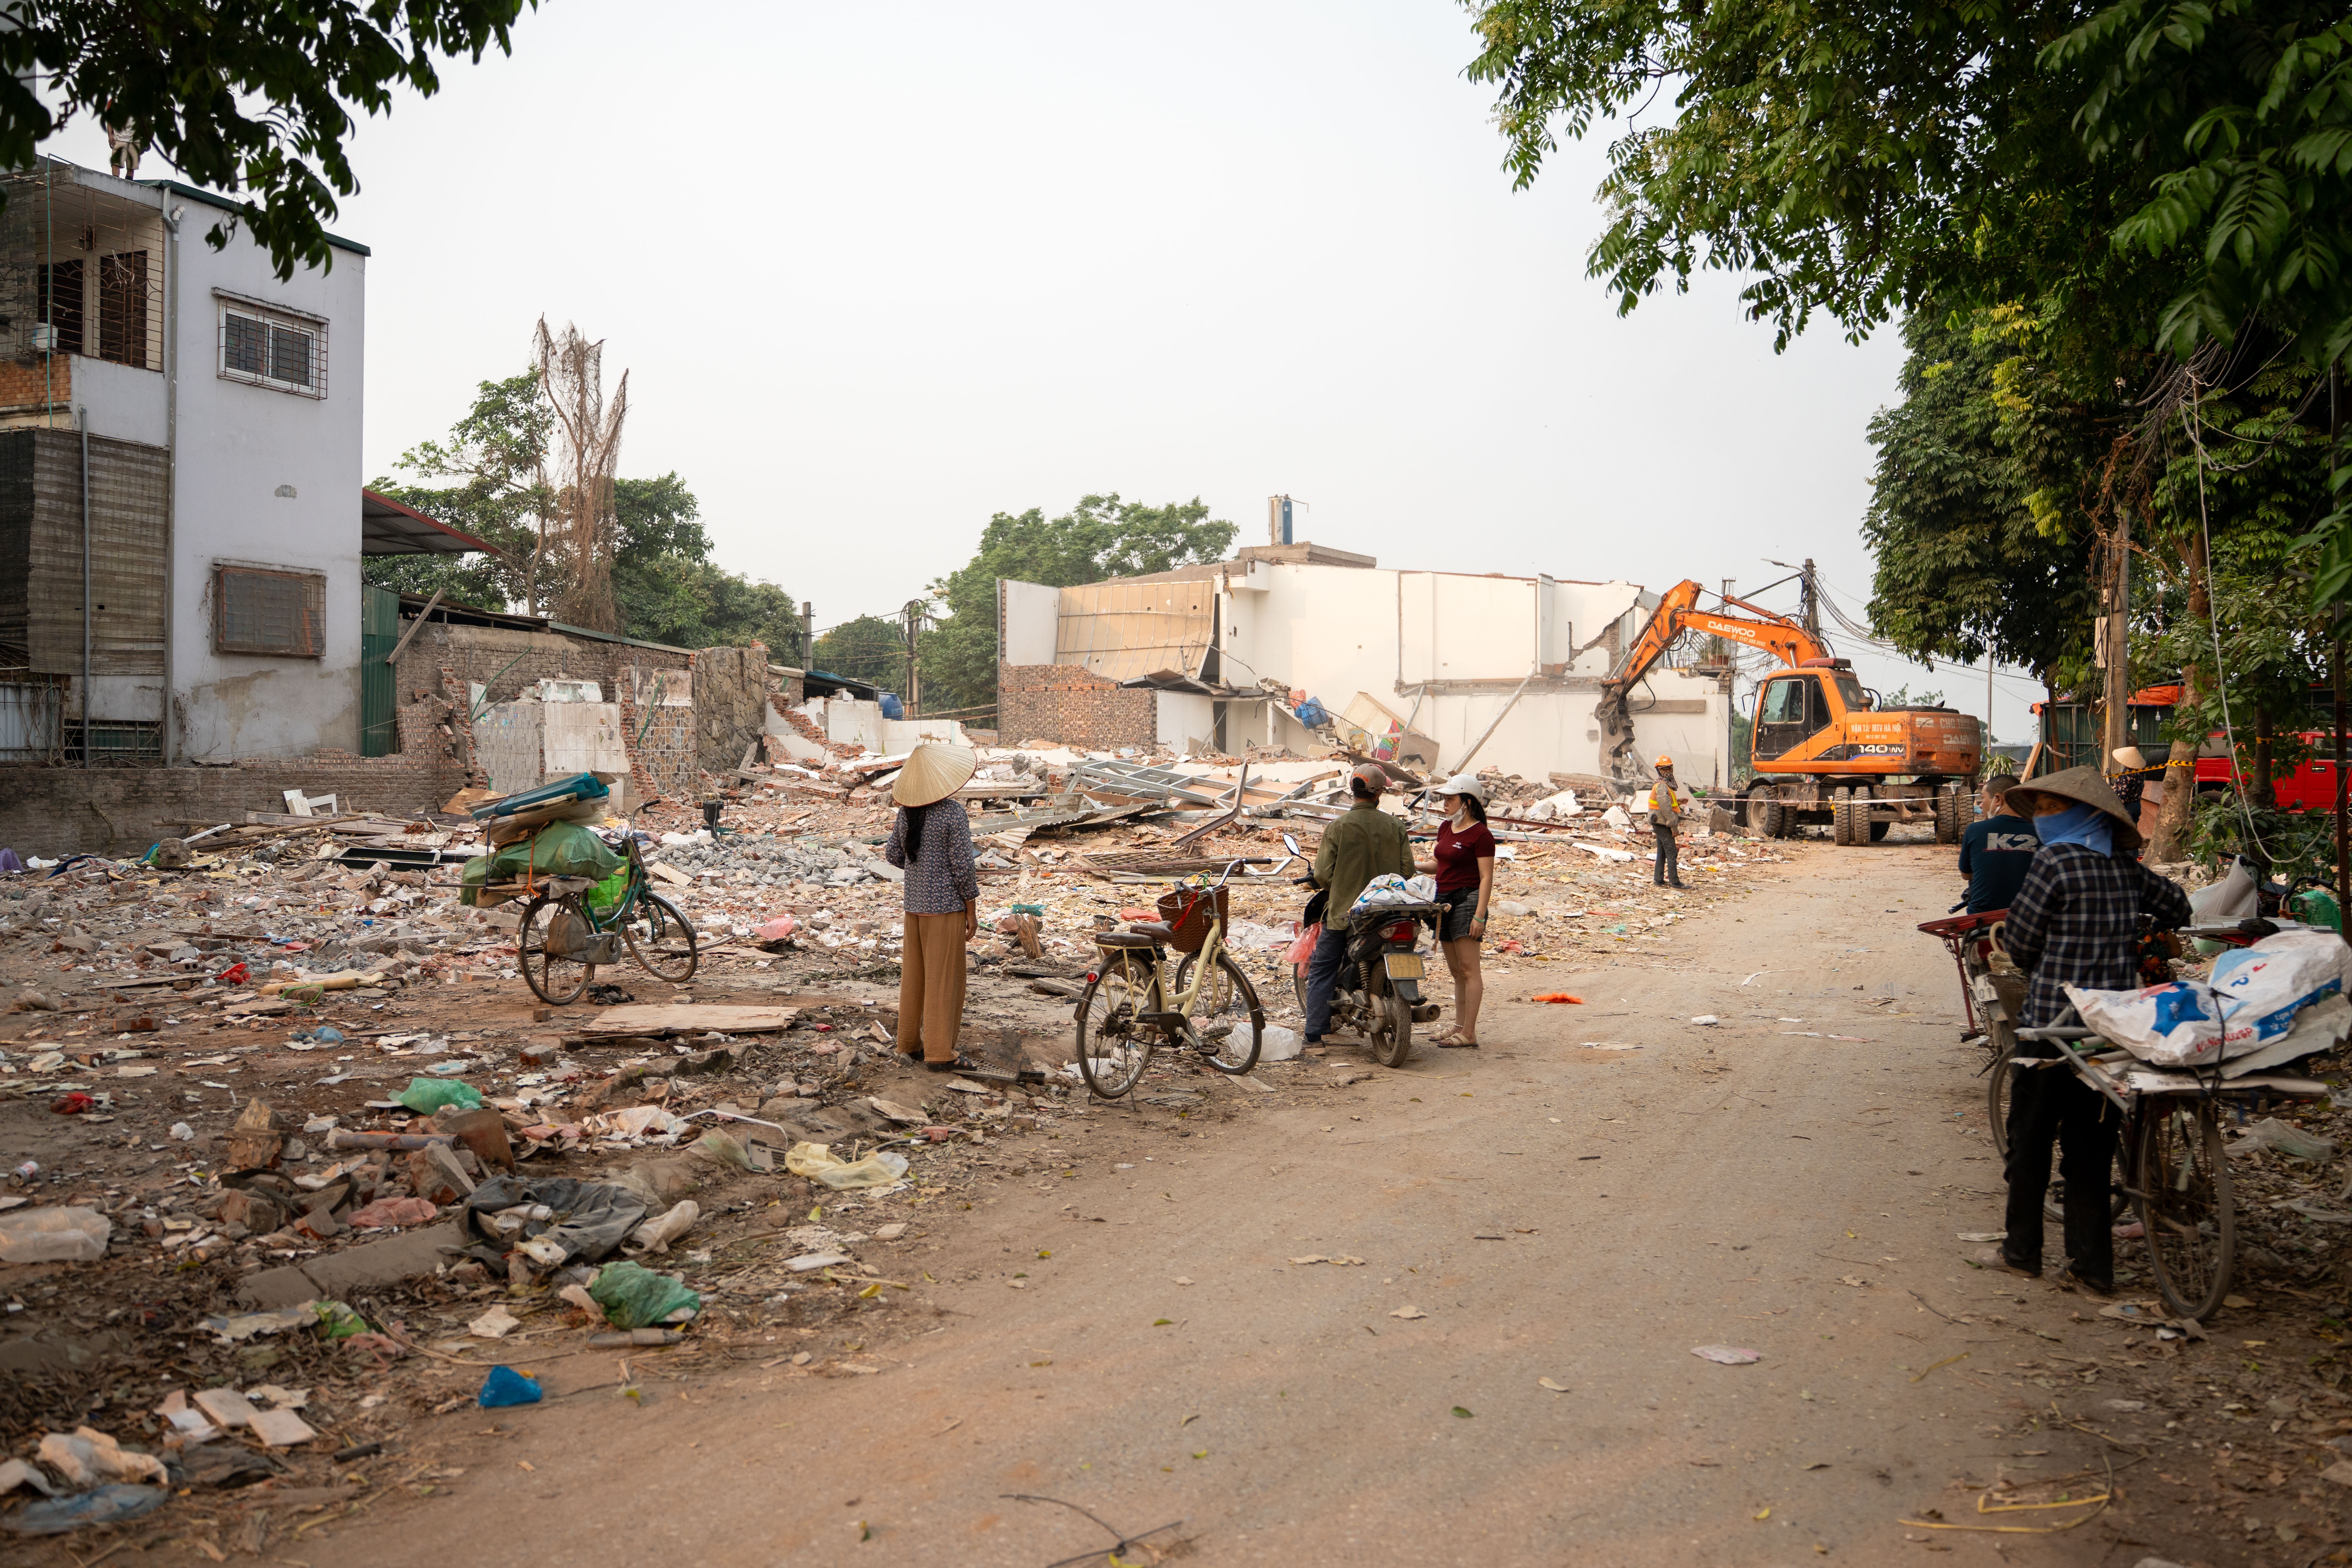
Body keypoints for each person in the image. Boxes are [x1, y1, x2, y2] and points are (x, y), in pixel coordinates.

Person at [1997, 766, 2191, 1294]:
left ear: (2082, 814)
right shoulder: (2125, 868)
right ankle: (2092, 1268)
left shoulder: (2053, 862)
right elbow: (2178, 905)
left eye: (2050, 809)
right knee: (2090, 1153)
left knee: (2030, 1143)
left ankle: (2022, 1253)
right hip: (2109, 1032)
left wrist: (2045, 958)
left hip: (2050, 1027)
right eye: (2039, 809)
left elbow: (2021, 943)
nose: (2042, 818)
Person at [882, 742, 982, 1072]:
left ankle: (909, 1044)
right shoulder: (953, 813)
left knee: (915, 978)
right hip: (945, 911)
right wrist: (971, 910)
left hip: (914, 909)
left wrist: (920, 869)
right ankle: (940, 1052)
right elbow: (963, 867)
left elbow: (893, 855)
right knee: (943, 981)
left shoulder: (907, 813)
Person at [1303, 763, 1415, 1045]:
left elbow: (1323, 875)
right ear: (1379, 793)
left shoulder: (1338, 827)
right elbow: (1407, 870)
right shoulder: (1395, 826)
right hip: (1388, 913)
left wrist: (1342, 885)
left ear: (1352, 790)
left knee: (1322, 969)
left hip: (1345, 915)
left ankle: (1314, 1038)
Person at [1414, 773, 1496, 1049]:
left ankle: (1469, 1033)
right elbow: (1440, 866)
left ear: (1468, 803)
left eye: (1451, 799)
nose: (1445, 804)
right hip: (1443, 903)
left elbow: (1486, 877)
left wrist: (1480, 916)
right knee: (1457, 971)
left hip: (1467, 902)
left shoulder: (1481, 835)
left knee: (1470, 971)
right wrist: (1412, 865)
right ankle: (1459, 1026)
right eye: (1444, 799)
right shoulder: (1446, 829)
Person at [1957, 773, 2039, 913]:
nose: (1981, 805)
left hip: (1981, 917)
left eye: (1983, 798)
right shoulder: (2038, 831)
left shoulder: (1975, 830)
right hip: (2026, 917)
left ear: (1998, 799)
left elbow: (1966, 875)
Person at [1648, 755, 1687, 889]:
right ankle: (1675, 883)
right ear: (1659, 771)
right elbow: (1665, 808)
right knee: (1672, 852)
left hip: (1660, 821)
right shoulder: (1662, 786)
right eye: (1664, 769)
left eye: (1669, 768)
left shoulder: (1664, 785)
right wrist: (1673, 826)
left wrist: (1678, 802)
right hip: (1662, 823)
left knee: (1663, 851)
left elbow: (1666, 804)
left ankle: (1659, 879)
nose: (1668, 771)